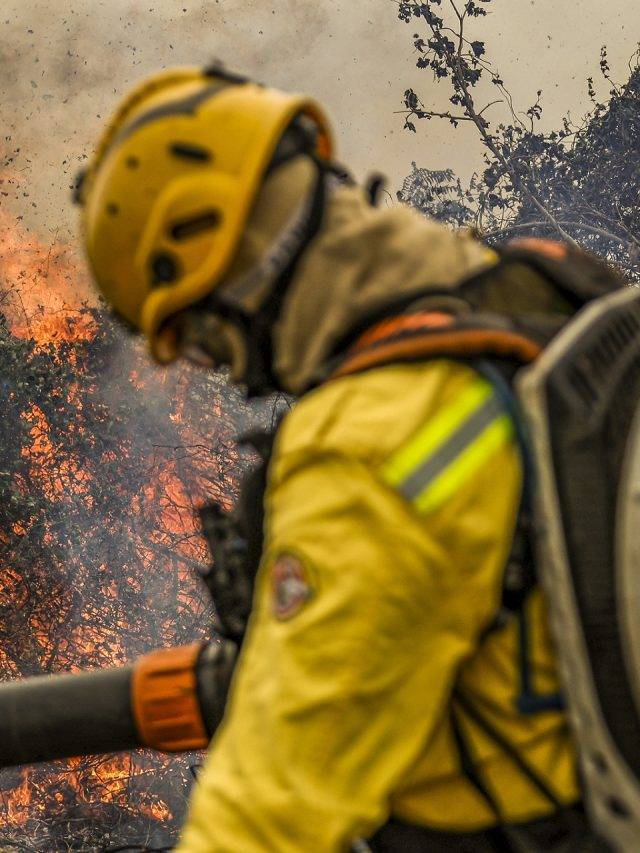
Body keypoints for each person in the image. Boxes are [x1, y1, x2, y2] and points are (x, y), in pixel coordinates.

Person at [77, 66, 617, 851]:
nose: (224, 368)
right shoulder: (550, 292)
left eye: (198, 336)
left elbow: (268, 815)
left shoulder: (365, 448)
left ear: (223, 265)